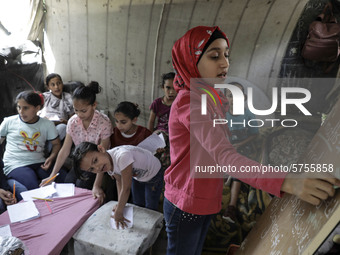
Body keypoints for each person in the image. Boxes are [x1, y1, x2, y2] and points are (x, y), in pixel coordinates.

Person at [164, 25, 340, 255]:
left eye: (226, 55)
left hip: (204, 199)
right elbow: (225, 158)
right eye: (214, 56)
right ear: (189, 60)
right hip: (186, 203)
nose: (225, 64)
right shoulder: (191, 103)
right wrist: (287, 181)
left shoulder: (209, 96)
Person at [40, 81, 112, 204]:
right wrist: (52, 176)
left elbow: (103, 157)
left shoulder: (104, 122)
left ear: (94, 105)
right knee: (68, 185)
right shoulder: (73, 121)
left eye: (83, 111)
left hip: (97, 166)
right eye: (76, 110)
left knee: (81, 188)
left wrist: (97, 185)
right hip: (80, 163)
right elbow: (65, 150)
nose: (79, 114)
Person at [72, 141, 162, 229]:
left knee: (150, 205)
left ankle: (154, 229)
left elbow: (126, 189)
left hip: (153, 174)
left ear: (101, 149)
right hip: (136, 175)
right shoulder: (106, 162)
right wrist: (120, 204)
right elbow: (119, 181)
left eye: (95, 160)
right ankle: (144, 224)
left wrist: (119, 211)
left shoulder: (122, 156)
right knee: (137, 202)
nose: (97, 168)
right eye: (91, 169)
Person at [0, 91, 66, 191]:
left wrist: (51, 157)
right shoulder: (8, 122)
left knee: (64, 178)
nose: (21, 111)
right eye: (19, 107)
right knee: (33, 185)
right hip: (15, 164)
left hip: (39, 162)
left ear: (37, 108)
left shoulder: (47, 124)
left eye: (26, 108)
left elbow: (56, 144)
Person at [110, 101, 163, 210]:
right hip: (133, 175)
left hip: (151, 173)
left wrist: (158, 150)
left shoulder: (144, 133)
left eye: (123, 122)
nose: (119, 126)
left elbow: (154, 151)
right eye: (116, 121)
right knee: (137, 202)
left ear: (134, 120)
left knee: (151, 204)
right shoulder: (114, 134)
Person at [223, 82, 259, 223]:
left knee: (240, 166)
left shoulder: (248, 114)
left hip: (244, 147)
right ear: (226, 98)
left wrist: (240, 144)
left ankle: (231, 207)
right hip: (228, 147)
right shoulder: (223, 115)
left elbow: (254, 134)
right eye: (230, 95)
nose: (234, 98)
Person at [39, 73, 74, 148]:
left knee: (62, 128)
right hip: (43, 124)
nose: (57, 87)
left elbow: (73, 121)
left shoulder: (68, 97)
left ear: (62, 84)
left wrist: (65, 122)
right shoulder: (44, 97)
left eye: (59, 83)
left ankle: (47, 151)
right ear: (48, 87)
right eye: (53, 84)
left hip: (59, 125)